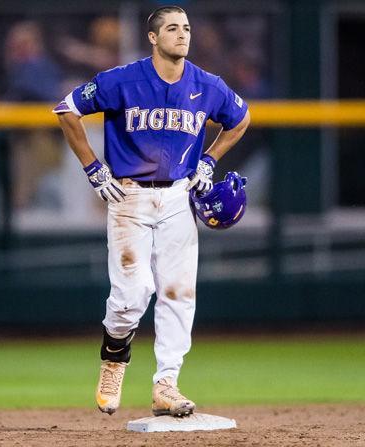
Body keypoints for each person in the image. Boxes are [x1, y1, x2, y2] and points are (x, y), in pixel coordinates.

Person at [53, 5, 250, 417]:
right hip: (129, 197)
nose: (183, 34)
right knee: (131, 295)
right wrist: (92, 167)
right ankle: (114, 357)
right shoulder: (122, 80)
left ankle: (167, 384)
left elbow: (241, 118)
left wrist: (210, 160)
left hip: (180, 197)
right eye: (173, 28)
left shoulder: (206, 84)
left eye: (187, 28)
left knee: (179, 294)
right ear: (153, 37)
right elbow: (66, 110)